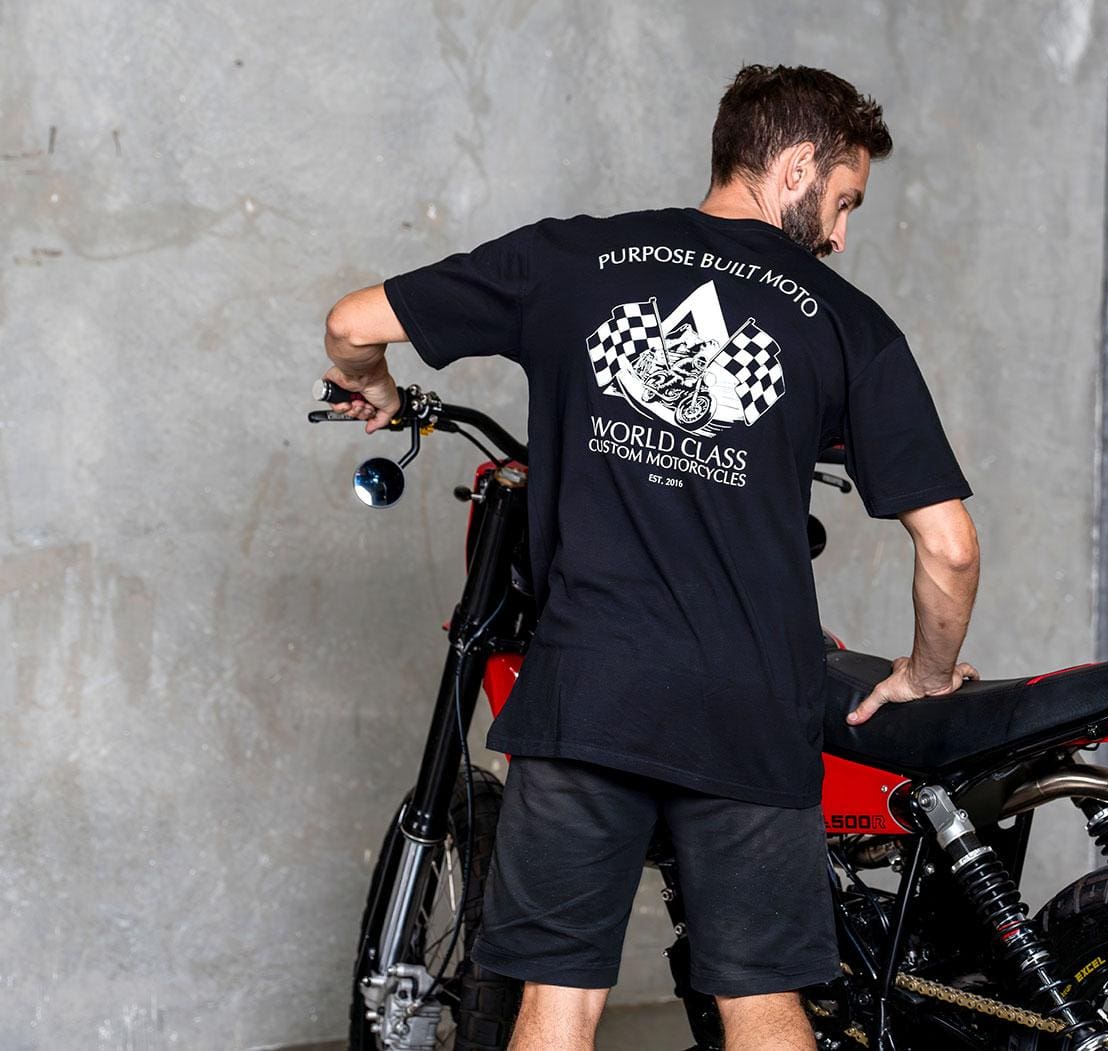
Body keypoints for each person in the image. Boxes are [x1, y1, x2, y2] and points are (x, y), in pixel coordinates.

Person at [321, 64, 980, 1051]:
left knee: (557, 1004)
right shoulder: (849, 325)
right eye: (845, 201)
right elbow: (951, 546)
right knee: (764, 1004)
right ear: (796, 165)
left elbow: (350, 323)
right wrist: (926, 673)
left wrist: (371, 383)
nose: (842, 237)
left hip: (591, 689)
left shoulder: (574, 259)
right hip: (755, 702)